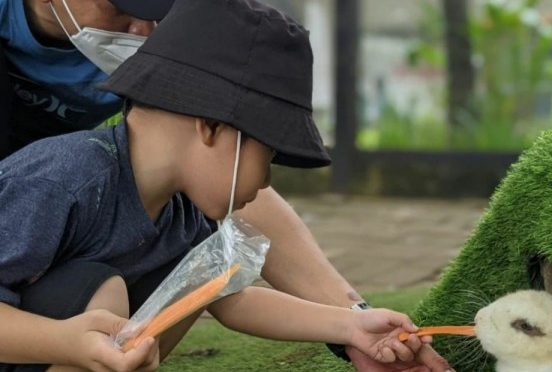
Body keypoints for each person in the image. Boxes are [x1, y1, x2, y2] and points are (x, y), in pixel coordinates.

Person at [0, 0, 453, 371]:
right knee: (105, 292)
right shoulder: (61, 180)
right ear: (211, 127)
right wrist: (63, 342)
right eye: (268, 156)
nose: (266, 180)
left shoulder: (183, 209)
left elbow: (226, 296)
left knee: (183, 285)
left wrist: (350, 325)